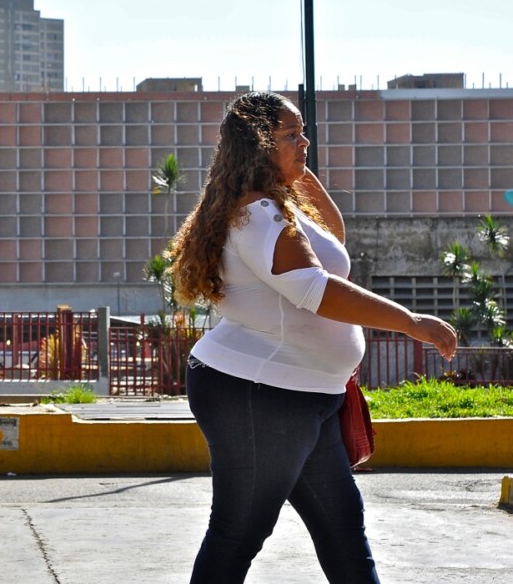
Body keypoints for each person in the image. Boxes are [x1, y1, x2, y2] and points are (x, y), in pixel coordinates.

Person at [166, 91, 457, 583]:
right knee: (240, 532)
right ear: (258, 146)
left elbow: (333, 244)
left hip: (303, 393)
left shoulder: (275, 205)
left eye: (303, 132)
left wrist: (300, 174)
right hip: (260, 394)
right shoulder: (258, 215)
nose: (305, 142)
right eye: (290, 135)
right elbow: (315, 290)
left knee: (342, 525)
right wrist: (410, 321)